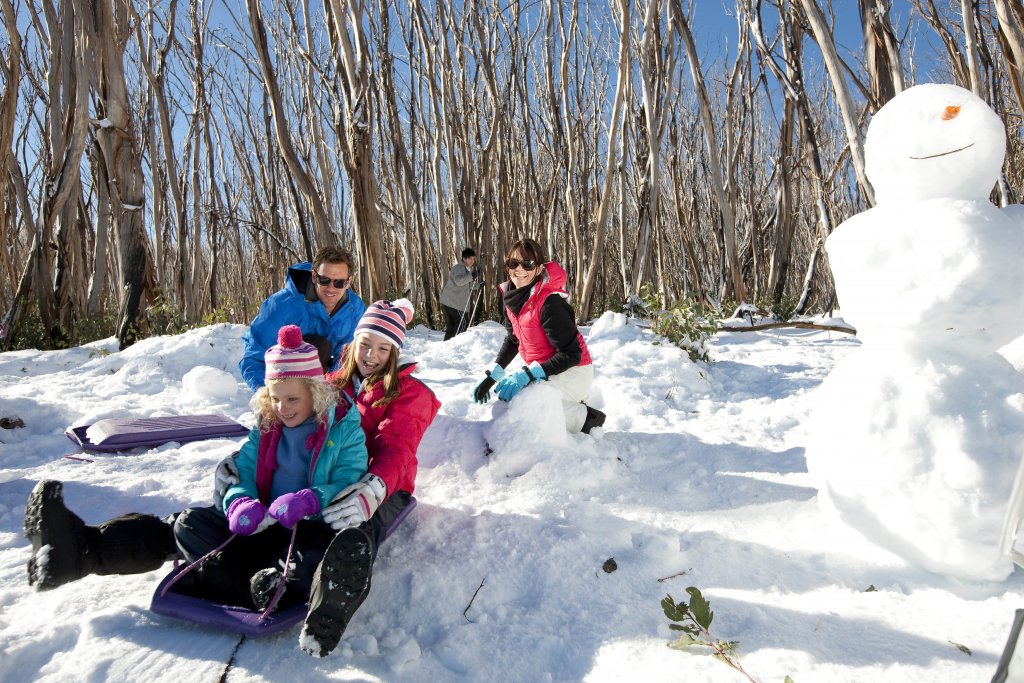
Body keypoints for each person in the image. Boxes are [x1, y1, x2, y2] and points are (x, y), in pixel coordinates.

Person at [23, 326, 368, 640]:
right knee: (186, 525)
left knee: (310, 561)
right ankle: (80, 552)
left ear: (316, 392)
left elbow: (348, 479)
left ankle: (270, 586)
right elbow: (243, 470)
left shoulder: (343, 428)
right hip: (258, 526)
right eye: (275, 398)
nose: (283, 407)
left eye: (293, 399)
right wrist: (239, 501)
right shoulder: (267, 427)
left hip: (305, 530)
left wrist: (309, 500)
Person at [216, 298, 441, 657]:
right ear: (354, 343)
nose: (371, 355)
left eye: (383, 348)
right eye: (365, 343)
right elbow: (285, 413)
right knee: (308, 526)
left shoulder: (409, 393)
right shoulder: (331, 385)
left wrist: (375, 486)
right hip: (330, 479)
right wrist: (241, 464)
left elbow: (397, 447)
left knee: (354, 529)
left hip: (385, 485)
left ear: (395, 352)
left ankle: (329, 605)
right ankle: (264, 567)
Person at [471, 238, 605, 433]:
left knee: (528, 407)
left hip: (573, 371)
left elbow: (571, 354)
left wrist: (527, 374)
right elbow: (514, 339)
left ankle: (585, 418)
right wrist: (494, 375)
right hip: (544, 370)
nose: (520, 269)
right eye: (513, 263)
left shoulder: (550, 303)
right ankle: (562, 406)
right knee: (509, 404)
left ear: (540, 268)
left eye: (528, 264)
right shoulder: (513, 297)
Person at [240, 246, 366, 390]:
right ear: (314, 276)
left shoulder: (355, 308)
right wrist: (269, 395)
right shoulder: (282, 305)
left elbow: (345, 358)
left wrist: (334, 392)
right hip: (283, 378)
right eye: (324, 280)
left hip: (323, 378)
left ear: (348, 281)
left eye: (339, 282)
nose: (331, 288)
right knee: (317, 344)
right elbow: (254, 357)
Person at [439, 247, 482, 340]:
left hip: (450, 302)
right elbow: (459, 281)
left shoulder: (466, 270)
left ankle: (446, 346)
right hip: (454, 302)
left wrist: (478, 286)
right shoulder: (459, 267)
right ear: (464, 258)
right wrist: (472, 275)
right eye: (470, 258)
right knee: (462, 323)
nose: (472, 261)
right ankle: (455, 346)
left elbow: (467, 285)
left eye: (473, 259)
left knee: (452, 326)